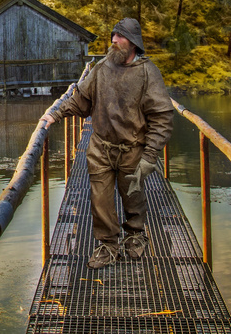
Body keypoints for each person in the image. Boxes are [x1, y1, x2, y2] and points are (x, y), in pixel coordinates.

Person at [40, 17, 174, 269]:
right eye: (113, 35)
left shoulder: (147, 73)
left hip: (132, 149)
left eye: (120, 36)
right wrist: (55, 114)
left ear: (133, 43)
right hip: (100, 147)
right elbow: (80, 99)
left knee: (133, 195)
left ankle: (135, 234)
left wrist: (150, 156)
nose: (113, 40)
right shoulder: (101, 68)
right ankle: (109, 245)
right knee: (100, 199)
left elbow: (162, 117)